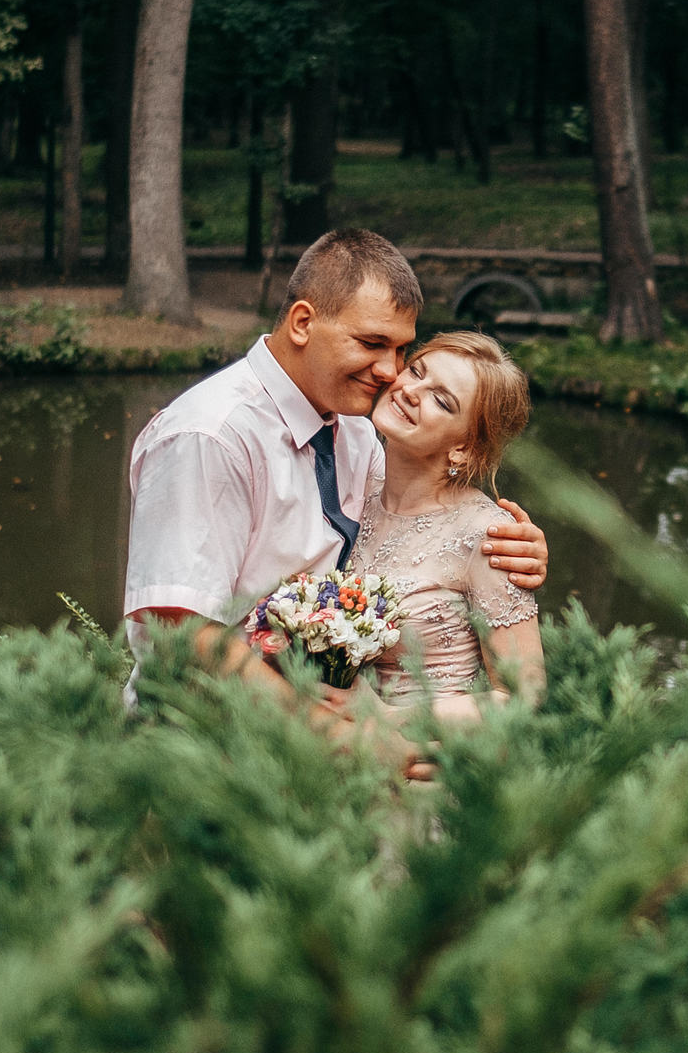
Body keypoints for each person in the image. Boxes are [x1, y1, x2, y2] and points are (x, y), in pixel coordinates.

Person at [120, 228, 548, 712]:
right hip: (194, 726)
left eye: (401, 351)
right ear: (303, 323)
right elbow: (179, 622)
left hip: (313, 740)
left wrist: (516, 550)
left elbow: (427, 516)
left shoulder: (357, 436)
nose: (391, 373)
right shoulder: (211, 435)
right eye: (372, 343)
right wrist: (331, 728)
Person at [351, 329, 542, 719]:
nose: (410, 391)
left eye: (441, 400)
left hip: (426, 745)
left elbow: (525, 695)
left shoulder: (489, 537)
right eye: (416, 371)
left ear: (464, 448)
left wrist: (387, 721)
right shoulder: (354, 491)